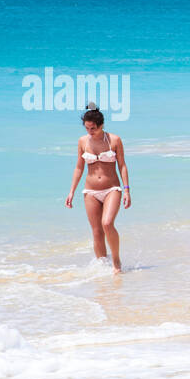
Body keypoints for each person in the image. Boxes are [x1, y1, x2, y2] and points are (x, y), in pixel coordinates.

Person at [66, 103, 131, 273]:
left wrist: (127, 190)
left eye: (93, 128)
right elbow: (79, 167)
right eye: (87, 128)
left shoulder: (114, 140)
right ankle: (103, 268)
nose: (90, 131)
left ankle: (116, 262)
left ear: (101, 125)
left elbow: (122, 165)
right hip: (91, 191)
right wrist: (71, 191)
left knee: (107, 223)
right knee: (96, 232)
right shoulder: (82, 141)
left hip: (112, 189)